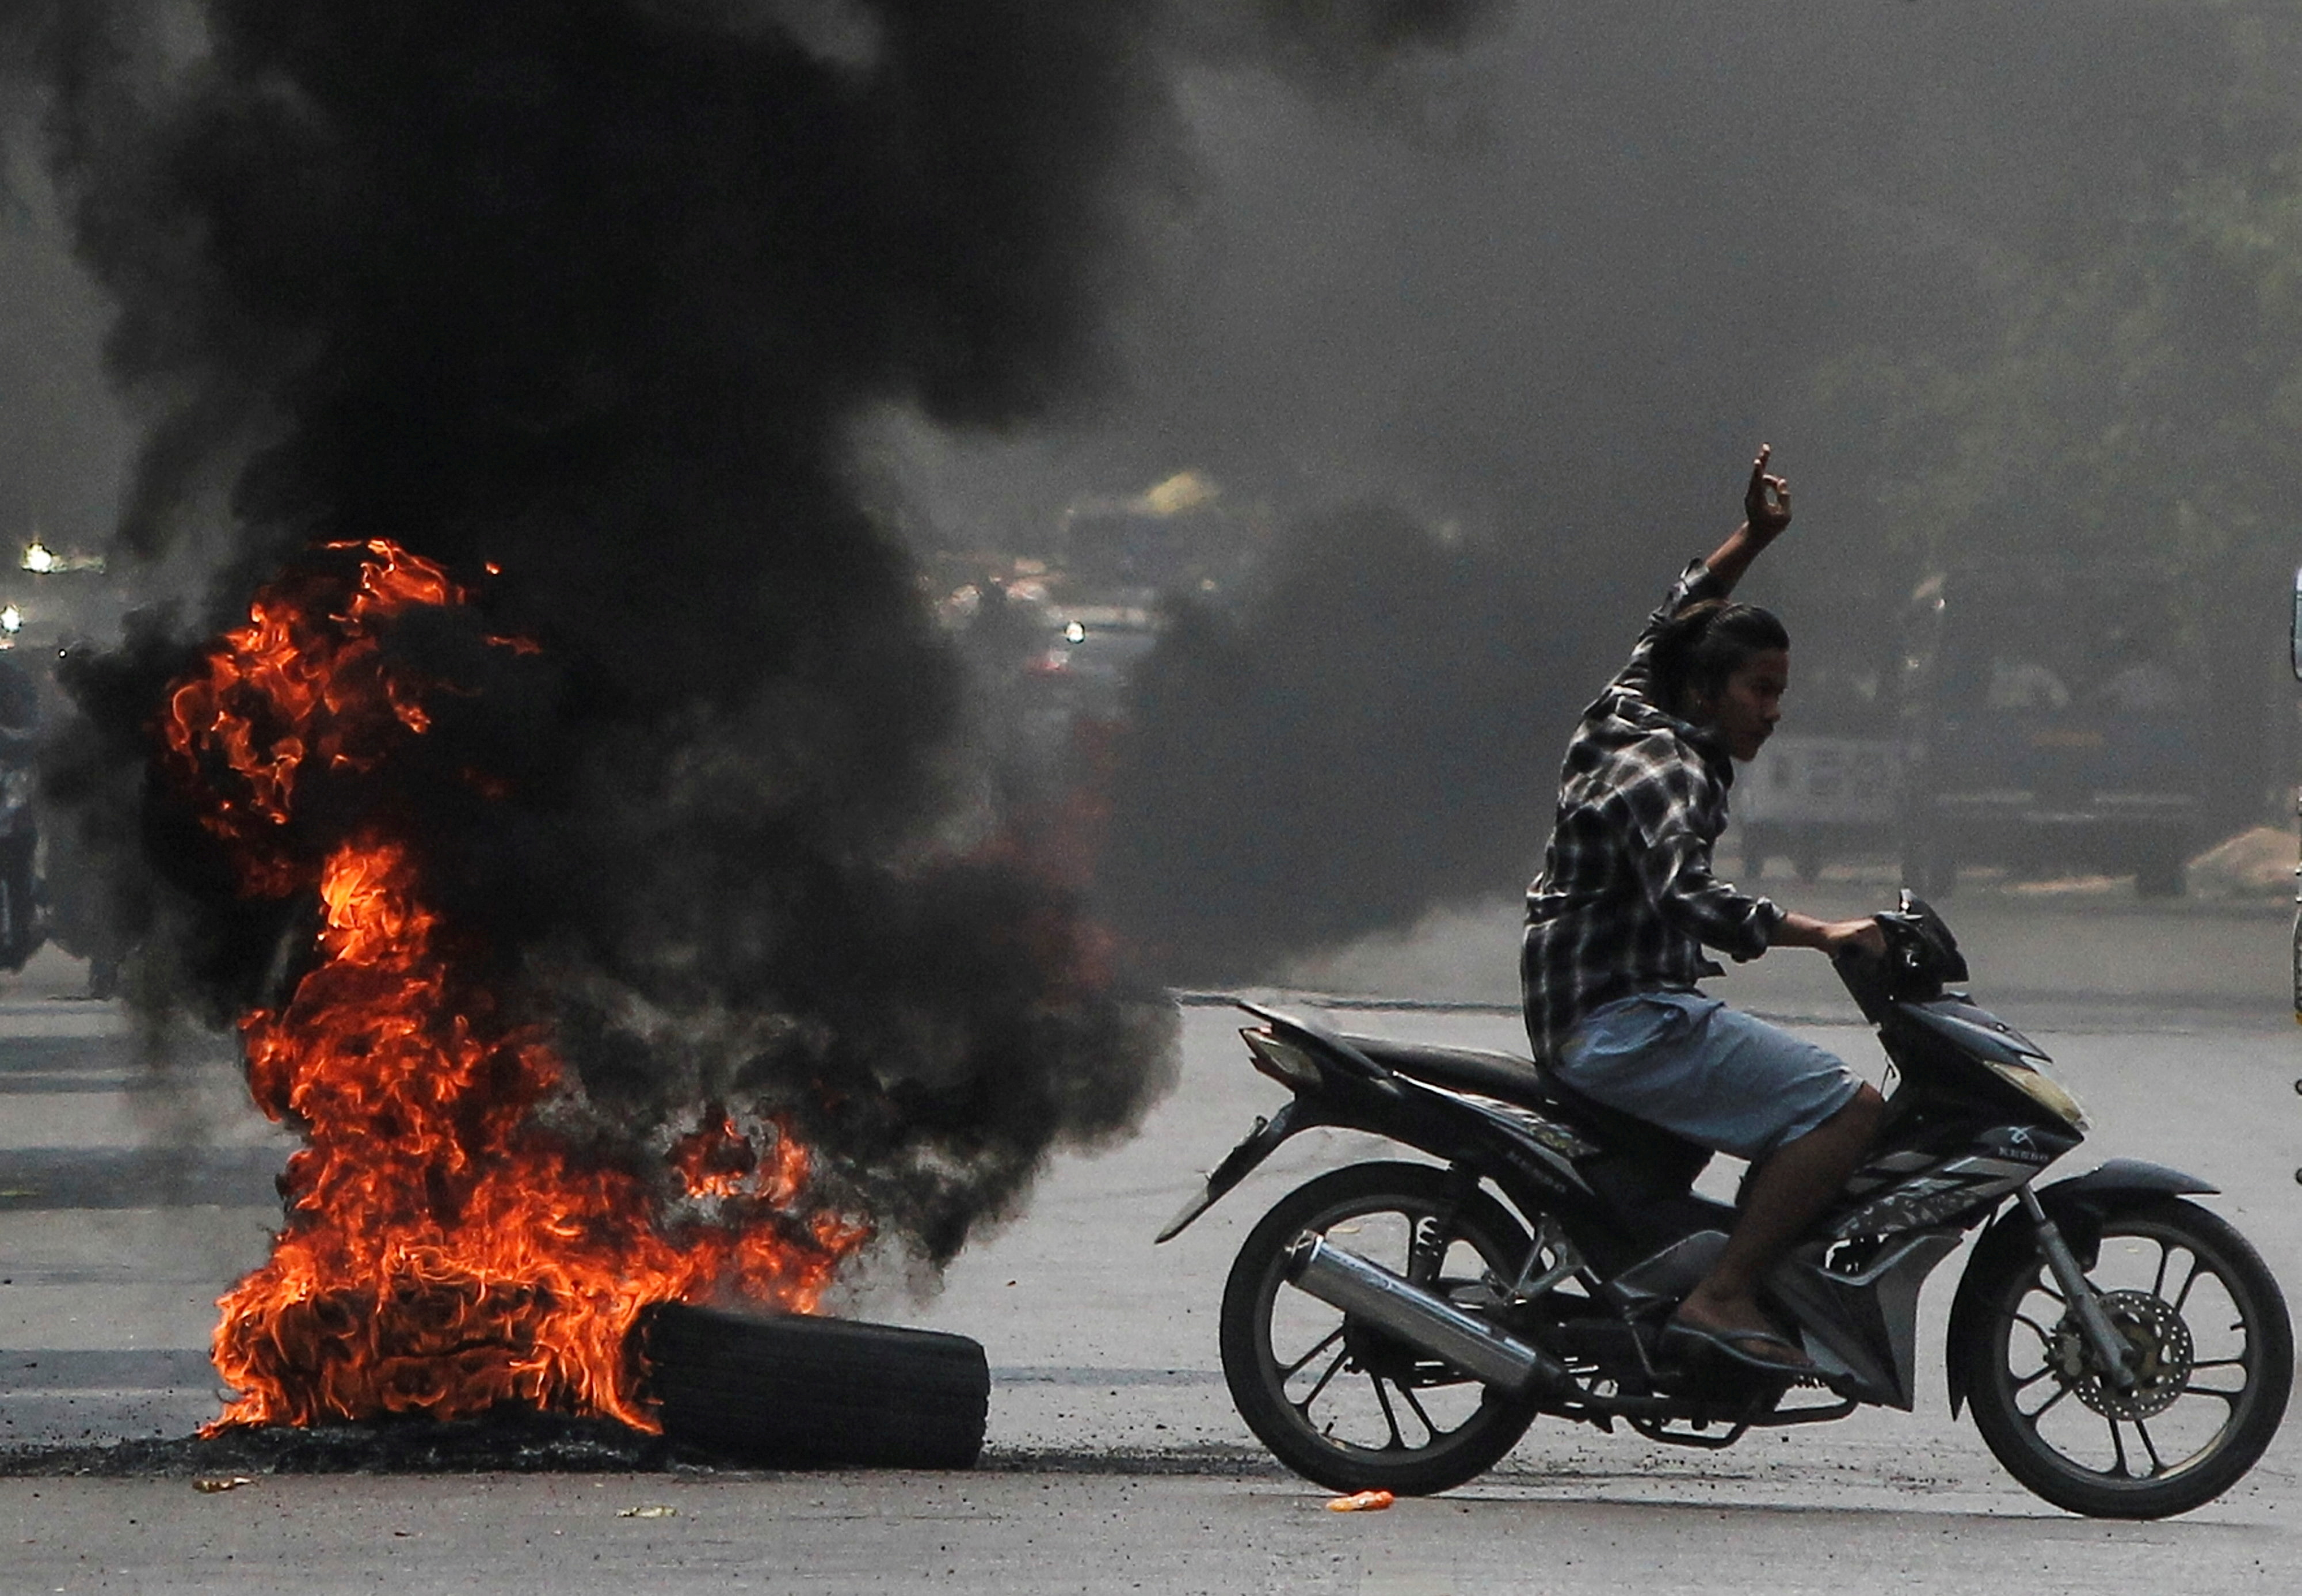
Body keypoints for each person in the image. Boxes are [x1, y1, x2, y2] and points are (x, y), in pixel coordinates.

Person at [1522, 445, 1887, 1377]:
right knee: (1847, 1112)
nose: (1772, 712)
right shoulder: (1669, 770)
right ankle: (1722, 1295)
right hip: (1621, 1022)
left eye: (1780, 692)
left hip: (1594, 1010)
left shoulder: (1629, 706)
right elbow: (1690, 895)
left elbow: (1673, 614)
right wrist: (1825, 932)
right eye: (1759, 691)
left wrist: (1754, 538)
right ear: (1707, 691)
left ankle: (1698, 1277)